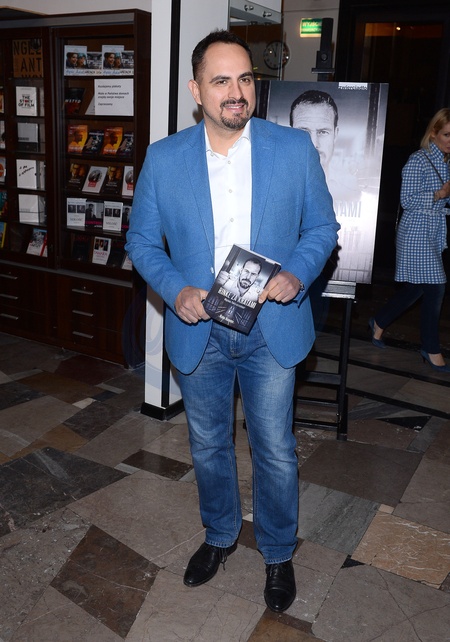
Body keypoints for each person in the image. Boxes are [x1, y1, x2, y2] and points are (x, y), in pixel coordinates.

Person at [126, 30, 339, 613]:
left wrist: (297, 273)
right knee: (208, 445)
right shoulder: (165, 158)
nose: (236, 92)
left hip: (272, 325)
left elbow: (322, 228)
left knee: (274, 447)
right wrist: (175, 289)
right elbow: (141, 241)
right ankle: (220, 535)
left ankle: (277, 551)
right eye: (220, 81)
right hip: (200, 328)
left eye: (245, 78)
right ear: (197, 91)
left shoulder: (292, 148)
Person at [369, 108, 450, 372]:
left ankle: (379, 322)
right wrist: (439, 194)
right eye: (447, 135)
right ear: (434, 133)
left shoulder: (446, 162)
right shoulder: (419, 160)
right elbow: (407, 200)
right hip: (416, 232)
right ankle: (431, 348)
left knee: (417, 287)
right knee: (436, 287)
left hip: (432, 231)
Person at [290, 89, 360, 202]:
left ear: (335, 135)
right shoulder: (273, 184)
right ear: (289, 134)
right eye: (303, 132)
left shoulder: (352, 189)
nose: (314, 144)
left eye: (323, 132)